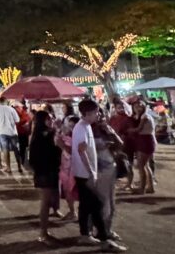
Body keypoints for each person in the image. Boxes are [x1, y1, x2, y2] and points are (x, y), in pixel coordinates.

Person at [71, 99, 127, 252]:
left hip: (84, 173)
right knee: (97, 205)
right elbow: (82, 151)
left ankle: (86, 235)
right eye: (96, 112)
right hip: (85, 174)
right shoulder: (82, 128)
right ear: (87, 113)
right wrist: (91, 172)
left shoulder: (84, 126)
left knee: (87, 205)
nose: (98, 114)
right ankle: (104, 239)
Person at [29, 110, 62, 244]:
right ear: (42, 120)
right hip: (45, 172)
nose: (51, 120)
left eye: (51, 118)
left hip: (49, 171)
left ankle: (44, 231)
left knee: (50, 200)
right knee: (45, 202)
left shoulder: (44, 133)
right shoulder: (43, 134)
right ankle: (43, 233)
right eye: (48, 118)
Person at [93, 111, 124, 241]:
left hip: (111, 168)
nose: (100, 117)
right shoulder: (88, 130)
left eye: (101, 115)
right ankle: (99, 231)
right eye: (97, 115)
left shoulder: (107, 130)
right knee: (102, 202)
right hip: (97, 170)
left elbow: (120, 145)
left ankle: (108, 229)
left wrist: (111, 133)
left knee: (111, 202)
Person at [130, 101, 156, 194]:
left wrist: (127, 130)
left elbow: (138, 129)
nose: (138, 108)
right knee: (146, 165)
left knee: (141, 166)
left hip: (145, 140)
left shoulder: (144, 116)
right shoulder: (143, 115)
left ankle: (142, 189)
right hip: (146, 140)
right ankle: (150, 187)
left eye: (140, 106)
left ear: (144, 106)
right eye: (136, 106)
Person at [110, 100, 137, 190]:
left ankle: (130, 183)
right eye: (119, 107)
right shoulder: (112, 118)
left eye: (122, 107)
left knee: (128, 163)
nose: (121, 109)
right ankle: (115, 182)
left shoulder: (129, 119)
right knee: (114, 164)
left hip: (127, 144)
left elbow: (132, 132)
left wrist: (123, 134)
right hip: (115, 144)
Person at [0, 97, 23, 174]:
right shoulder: (11, 109)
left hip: (2, 132)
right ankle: (19, 166)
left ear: (0, 101)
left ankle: (8, 168)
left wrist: (1, 122)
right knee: (16, 149)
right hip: (12, 132)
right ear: (6, 101)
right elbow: (18, 120)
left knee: (5, 150)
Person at [56, 115, 79, 220]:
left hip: (74, 167)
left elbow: (72, 151)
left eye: (73, 126)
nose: (71, 128)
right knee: (67, 190)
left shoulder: (79, 136)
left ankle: (78, 213)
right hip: (65, 167)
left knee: (74, 190)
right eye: (69, 126)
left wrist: (62, 145)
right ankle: (72, 212)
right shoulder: (66, 134)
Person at [15, 100, 32, 166]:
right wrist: (24, 121)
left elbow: (28, 119)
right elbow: (17, 121)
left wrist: (28, 122)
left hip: (26, 132)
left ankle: (24, 159)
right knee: (22, 147)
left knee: (25, 146)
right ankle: (22, 160)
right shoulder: (17, 110)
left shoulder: (25, 111)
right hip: (20, 132)